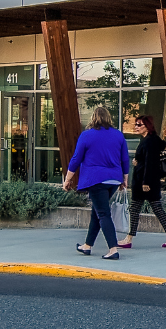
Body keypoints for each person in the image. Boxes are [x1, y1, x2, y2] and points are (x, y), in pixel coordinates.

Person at [64, 106, 129, 260]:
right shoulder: (118, 135)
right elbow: (125, 159)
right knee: (97, 211)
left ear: (93, 118)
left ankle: (113, 249)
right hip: (114, 179)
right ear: (108, 118)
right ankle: (87, 245)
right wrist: (125, 178)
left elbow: (76, 159)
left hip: (95, 179)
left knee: (103, 213)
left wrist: (67, 179)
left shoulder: (87, 135)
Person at [118, 115, 166, 248]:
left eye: (139, 124)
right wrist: (137, 162)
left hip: (144, 182)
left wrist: (145, 183)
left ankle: (129, 239)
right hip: (150, 181)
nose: (136, 127)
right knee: (156, 208)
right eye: (136, 124)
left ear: (147, 127)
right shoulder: (152, 140)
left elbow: (150, 163)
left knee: (135, 210)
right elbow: (148, 160)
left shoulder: (149, 142)